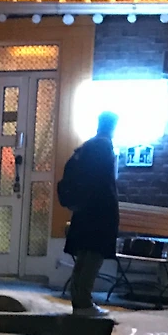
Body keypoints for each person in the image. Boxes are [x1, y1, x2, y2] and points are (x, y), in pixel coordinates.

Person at [58, 111, 120, 314]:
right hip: (99, 212)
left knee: (84, 255)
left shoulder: (87, 146)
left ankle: (78, 300)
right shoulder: (104, 147)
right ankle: (84, 302)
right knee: (94, 256)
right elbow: (103, 183)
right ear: (113, 127)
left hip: (84, 211)